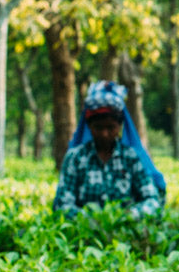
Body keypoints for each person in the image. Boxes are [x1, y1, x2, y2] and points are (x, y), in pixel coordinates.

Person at [53, 80, 166, 218]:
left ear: (119, 126)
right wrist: (89, 219)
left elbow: (152, 200)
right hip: (85, 232)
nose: (104, 134)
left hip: (126, 231)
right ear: (89, 126)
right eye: (98, 128)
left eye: (110, 127)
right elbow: (62, 204)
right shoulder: (75, 158)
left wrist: (131, 215)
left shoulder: (131, 158)